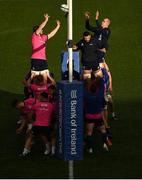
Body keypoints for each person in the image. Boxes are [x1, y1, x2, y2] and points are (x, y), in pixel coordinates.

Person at [20, 92, 55, 156]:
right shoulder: (51, 105)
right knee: (52, 136)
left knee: (30, 136)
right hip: (47, 126)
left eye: (39, 96)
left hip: (37, 125)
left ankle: (24, 152)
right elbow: (53, 115)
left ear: (42, 97)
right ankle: (52, 151)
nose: (38, 97)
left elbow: (29, 116)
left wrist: (33, 123)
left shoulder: (36, 105)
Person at [31, 13, 61, 81]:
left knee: (45, 77)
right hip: (36, 59)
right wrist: (46, 20)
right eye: (41, 30)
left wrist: (58, 26)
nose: (42, 30)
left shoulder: (43, 37)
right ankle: (35, 90)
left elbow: (51, 34)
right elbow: (41, 27)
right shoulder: (34, 36)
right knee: (35, 78)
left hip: (43, 59)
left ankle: (44, 90)